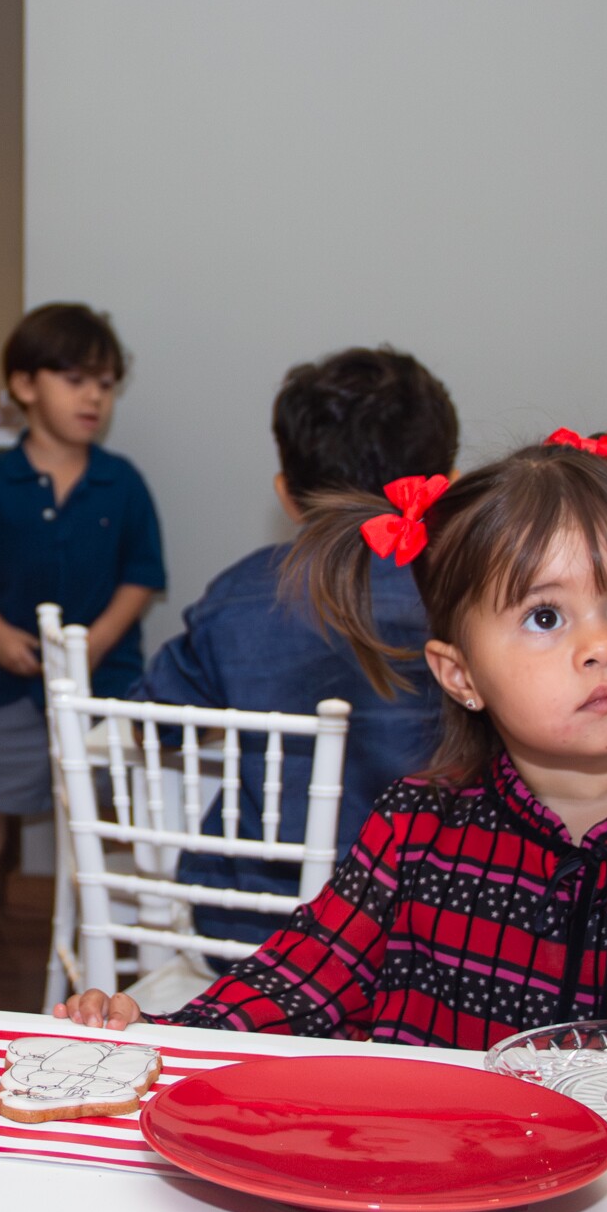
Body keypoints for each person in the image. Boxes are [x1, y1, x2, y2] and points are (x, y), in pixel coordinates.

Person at [60, 429, 607, 1045]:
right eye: (546, 617)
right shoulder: (417, 830)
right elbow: (299, 983)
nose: (602, 643)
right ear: (459, 673)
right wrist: (156, 1037)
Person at [134, 346, 456, 948]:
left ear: (286, 494)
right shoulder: (476, 598)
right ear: (444, 489)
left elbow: (155, 726)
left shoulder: (237, 597)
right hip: (430, 928)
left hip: (255, 927)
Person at [0, 304, 166, 944]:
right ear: (25, 385)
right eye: (76, 380)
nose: (94, 396)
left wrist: (96, 644)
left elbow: (142, 576)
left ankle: (125, 927)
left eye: (106, 383)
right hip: (16, 685)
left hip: (109, 687)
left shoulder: (122, 484)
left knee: (115, 809)